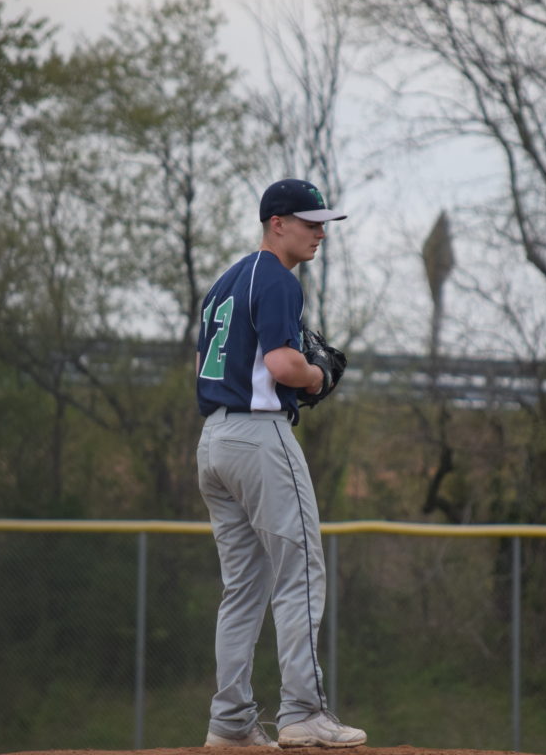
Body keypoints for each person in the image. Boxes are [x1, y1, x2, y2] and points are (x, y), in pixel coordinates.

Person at [195, 178, 366, 749]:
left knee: (243, 586)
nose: (320, 233)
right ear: (277, 223)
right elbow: (283, 364)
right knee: (302, 572)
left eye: (323, 223)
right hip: (258, 439)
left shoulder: (224, 283)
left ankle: (231, 725)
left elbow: (203, 361)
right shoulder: (276, 279)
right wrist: (319, 376)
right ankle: (303, 711)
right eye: (310, 222)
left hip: (213, 442)